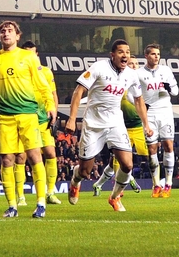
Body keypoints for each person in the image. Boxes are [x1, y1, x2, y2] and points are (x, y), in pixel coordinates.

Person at [0, 21, 53, 219]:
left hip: (28, 114)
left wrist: (50, 105)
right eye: (3, 31)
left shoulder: (29, 57)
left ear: (17, 36)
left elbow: (42, 84)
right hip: (5, 116)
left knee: (34, 156)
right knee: (7, 159)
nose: (6, 33)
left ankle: (40, 203)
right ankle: (12, 206)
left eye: (10, 31)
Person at [65, 39, 152, 212]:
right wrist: (72, 119)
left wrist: (146, 124)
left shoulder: (131, 74)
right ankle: (75, 181)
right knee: (85, 171)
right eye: (121, 52)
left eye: (127, 52)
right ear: (112, 55)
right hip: (93, 124)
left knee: (127, 165)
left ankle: (115, 197)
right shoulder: (99, 68)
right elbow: (79, 91)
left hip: (115, 123)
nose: (125, 55)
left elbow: (138, 100)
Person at [92, 59, 147, 195]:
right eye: (130, 64)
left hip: (138, 127)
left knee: (148, 155)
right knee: (118, 159)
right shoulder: (118, 83)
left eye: (136, 64)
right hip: (120, 126)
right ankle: (120, 185)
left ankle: (100, 184)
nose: (133, 66)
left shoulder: (141, 84)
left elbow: (143, 104)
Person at [18, 41, 61, 205]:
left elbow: (53, 94)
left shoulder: (47, 72)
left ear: (37, 55)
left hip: (43, 120)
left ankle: (50, 192)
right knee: (21, 157)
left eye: (33, 53)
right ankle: (20, 196)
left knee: (50, 153)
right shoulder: (18, 73)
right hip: (25, 120)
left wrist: (54, 113)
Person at [136, 44, 179, 197]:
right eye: (153, 54)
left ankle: (167, 184)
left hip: (166, 112)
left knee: (168, 145)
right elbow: (133, 94)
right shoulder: (139, 74)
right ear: (146, 56)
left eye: (158, 54)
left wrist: (169, 88)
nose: (156, 57)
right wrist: (141, 107)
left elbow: (176, 90)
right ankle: (156, 185)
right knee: (152, 149)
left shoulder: (166, 70)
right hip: (150, 115)